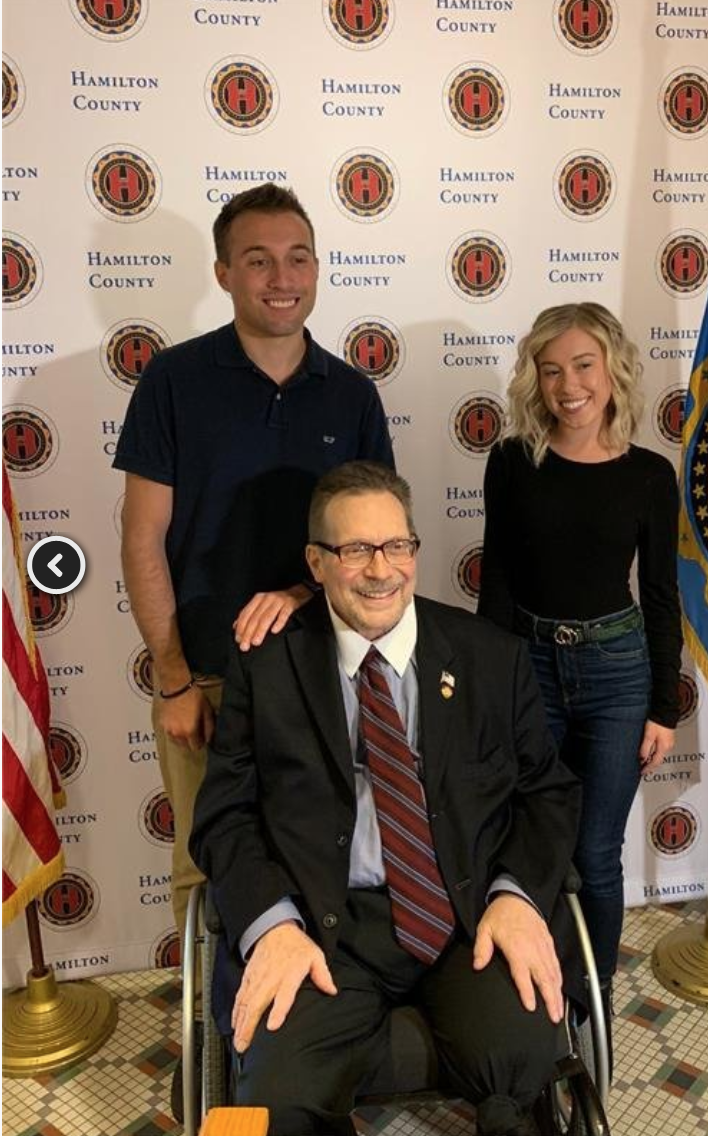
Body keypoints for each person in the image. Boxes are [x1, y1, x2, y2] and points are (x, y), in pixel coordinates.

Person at [190, 461, 581, 1136]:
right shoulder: (266, 665)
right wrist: (272, 924)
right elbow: (226, 815)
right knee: (277, 1098)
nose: (381, 570)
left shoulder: (489, 656)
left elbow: (546, 792)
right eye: (355, 550)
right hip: (321, 925)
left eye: (397, 546)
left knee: (525, 1064)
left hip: (466, 918)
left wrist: (517, 899)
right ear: (316, 562)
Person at [113, 185, 394, 940]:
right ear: (223, 273)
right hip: (205, 676)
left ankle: (303, 1037)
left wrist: (301, 590)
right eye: (259, 260)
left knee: (319, 857)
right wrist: (174, 679)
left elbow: (373, 546)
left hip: (326, 674)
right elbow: (142, 539)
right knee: (205, 865)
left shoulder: (353, 394)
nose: (282, 277)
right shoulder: (172, 382)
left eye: (298, 258)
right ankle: (212, 1042)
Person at [478, 303, 682, 1059]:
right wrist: (492, 689)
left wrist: (664, 704)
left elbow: (661, 595)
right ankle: (536, 991)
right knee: (533, 841)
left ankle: (587, 1003)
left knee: (595, 853)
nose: (568, 385)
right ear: (534, 376)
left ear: (613, 369)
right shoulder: (510, 461)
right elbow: (496, 578)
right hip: (528, 666)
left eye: (583, 366)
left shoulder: (650, 475)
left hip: (617, 674)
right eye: (551, 368)